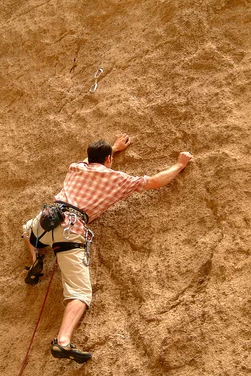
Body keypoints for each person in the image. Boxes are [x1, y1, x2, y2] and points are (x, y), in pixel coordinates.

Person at [22, 134, 193, 363]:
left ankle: (36, 258)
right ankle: (62, 341)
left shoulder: (76, 168)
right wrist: (180, 164)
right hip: (70, 231)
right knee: (79, 293)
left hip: (46, 219)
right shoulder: (118, 179)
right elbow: (154, 181)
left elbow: (87, 160)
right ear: (109, 160)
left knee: (27, 230)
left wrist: (113, 148)